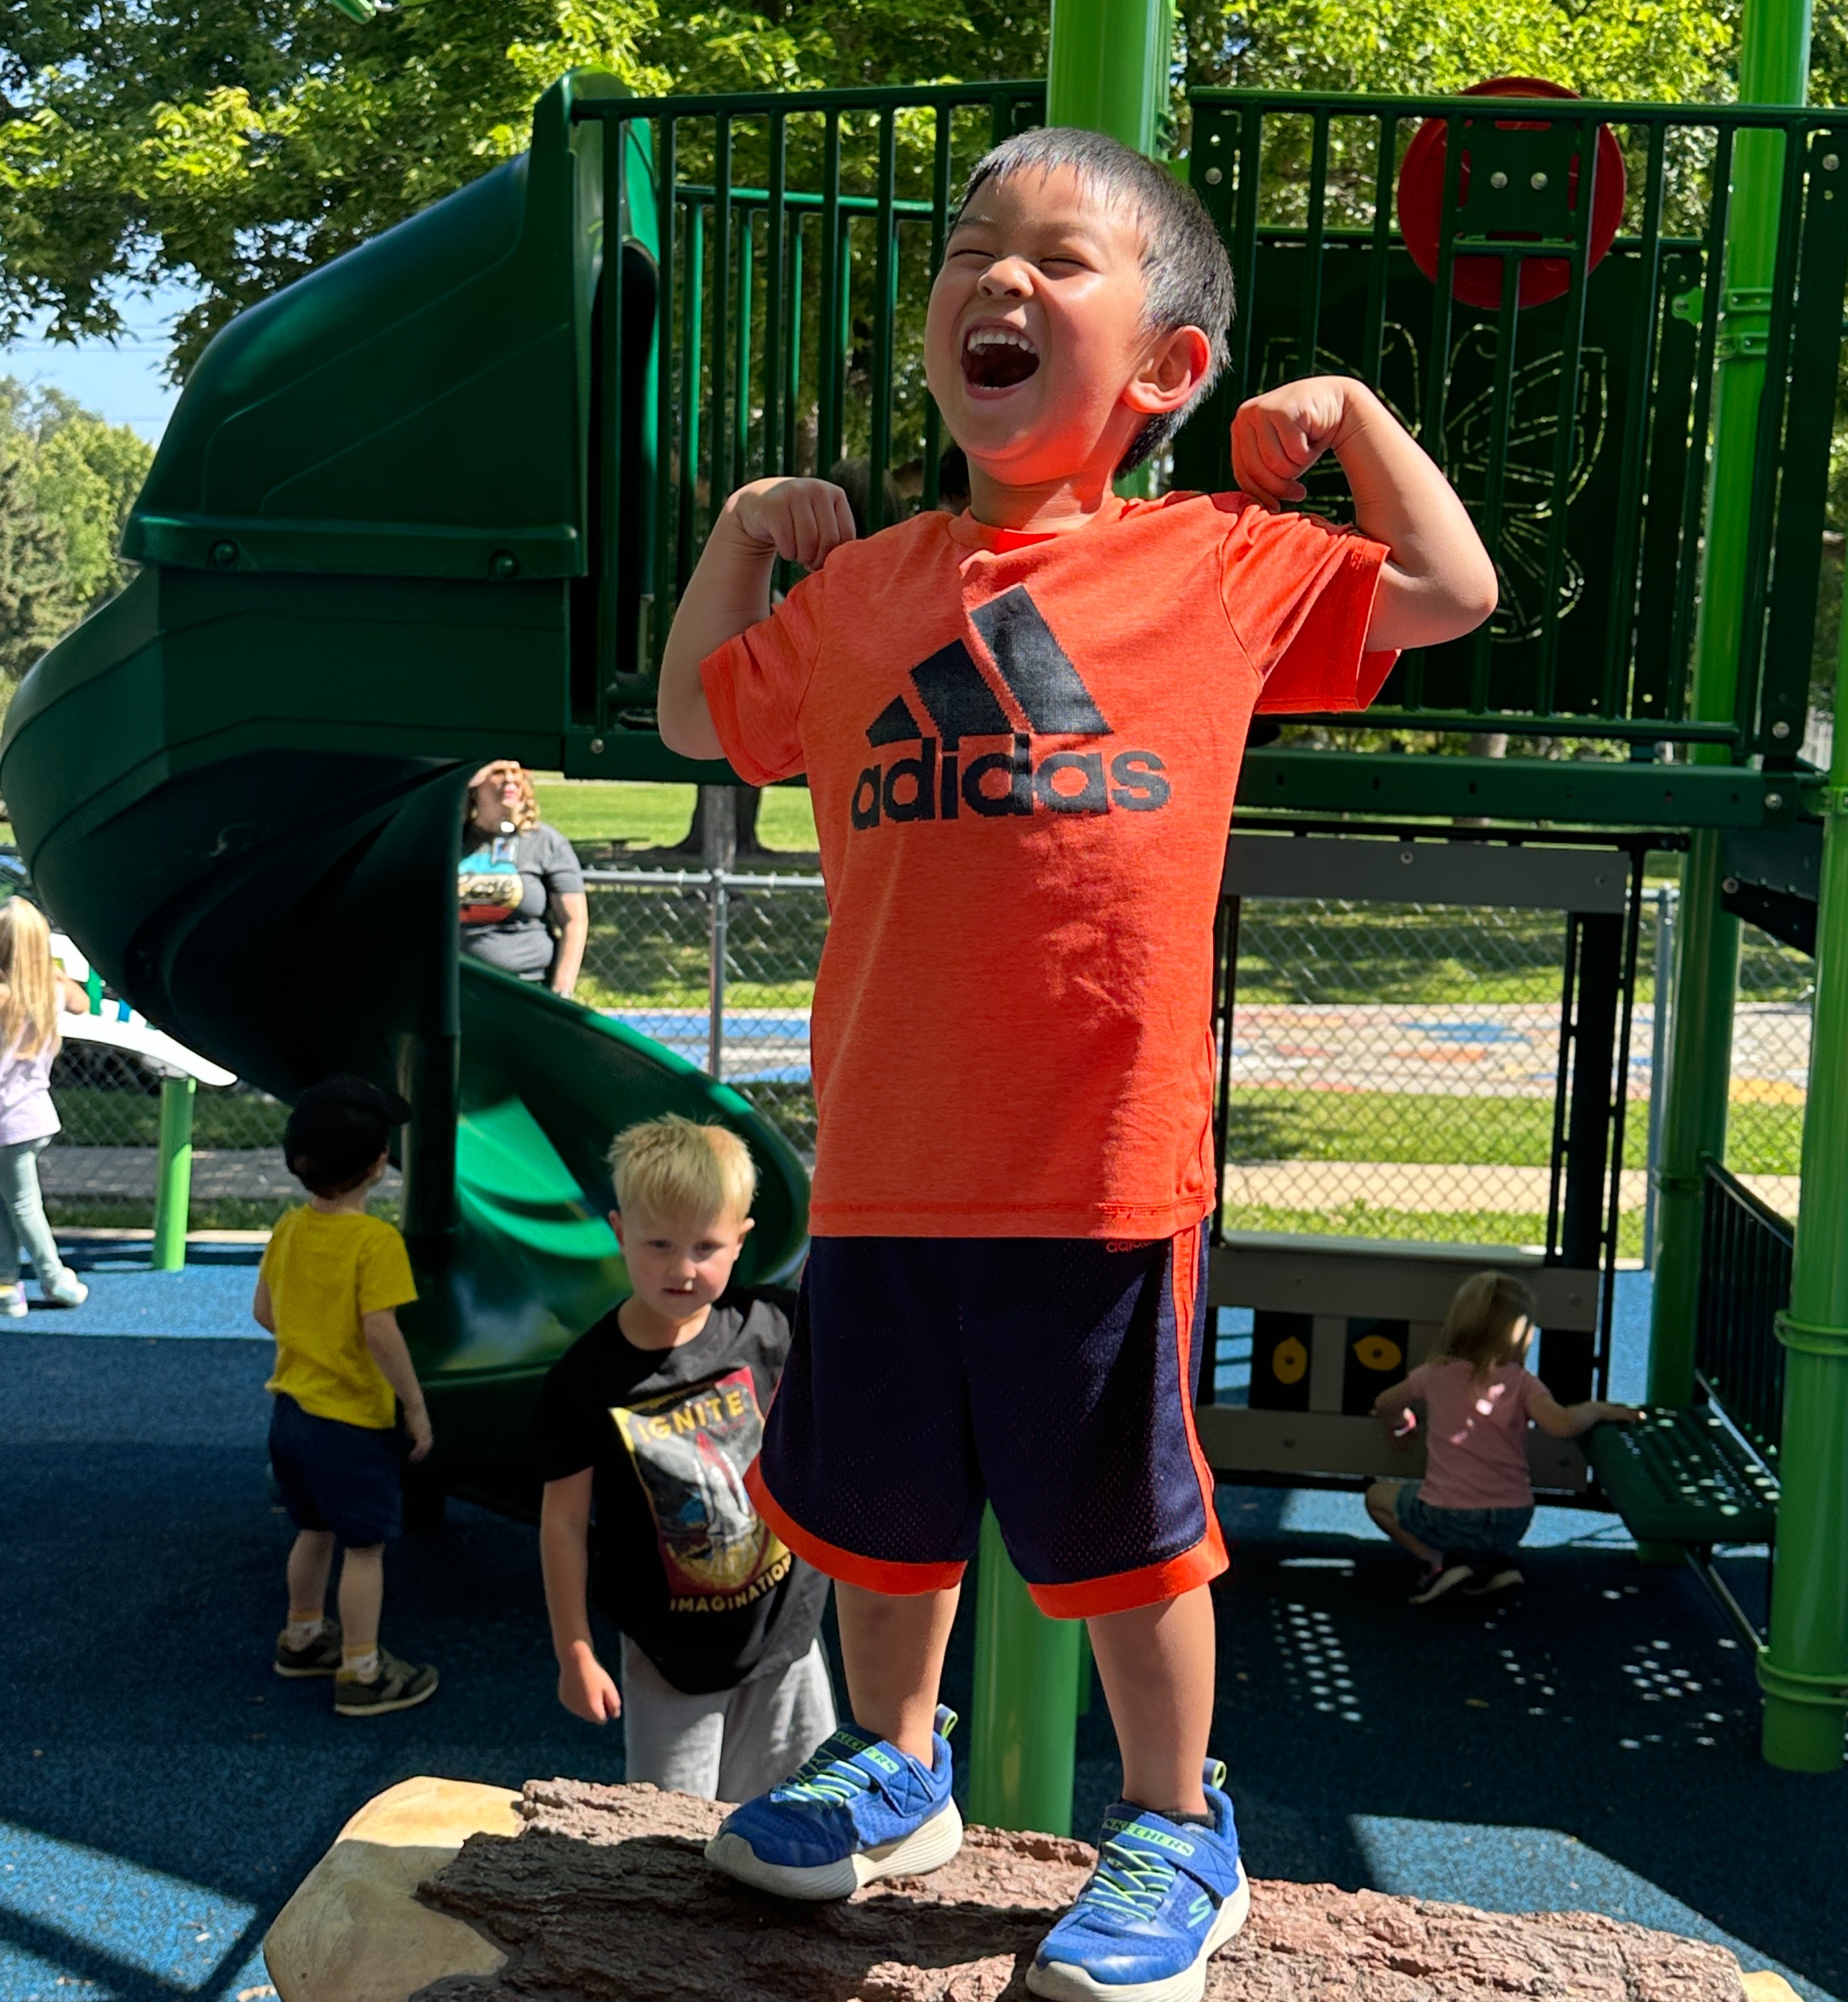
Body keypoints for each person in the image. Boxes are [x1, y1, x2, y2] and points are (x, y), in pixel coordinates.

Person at [657, 123, 1496, 1999]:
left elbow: (1451, 590)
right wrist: (737, 533)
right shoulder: (869, 587)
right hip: (883, 1155)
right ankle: (897, 1761)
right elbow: (695, 712)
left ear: (1169, 370)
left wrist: (1355, 416)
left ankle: (1181, 1822)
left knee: (1128, 1530)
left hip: (1098, 1163)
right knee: (878, 1502)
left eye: (1057, 261)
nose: (998, 282)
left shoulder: (1216, 566)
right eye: (972, 254)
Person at [534, 1113, 834, 1799]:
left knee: (802, 1812)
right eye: (659, 1244)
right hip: (668, 1654)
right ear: (618, 1233)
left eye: (705, 1246)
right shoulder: (586, 1381)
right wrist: (573, 1649)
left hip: (784, 1636)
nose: (682, 1267)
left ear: (741, 1243)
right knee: (670, 1830)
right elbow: (563, 1522)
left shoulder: (774, 1328)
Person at [257, 1074, 440, 1717]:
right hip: (350, 1425)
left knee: (311, 1530)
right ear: (380, 1163)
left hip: (290, 1415)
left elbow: (265, 1312)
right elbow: (380, 1332)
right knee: (364, 1548)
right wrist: (414, 1407)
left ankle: (303, 1635)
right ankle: (362, 1670)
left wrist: (312, 1336)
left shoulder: (288, 1229)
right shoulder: (375, 1242)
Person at [1366, 1271, 1641, 1604]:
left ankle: (1437, 1562)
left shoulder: (1433, 1375)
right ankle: (1494, 1565)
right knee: (1483, 1525)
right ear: (1522, 1336)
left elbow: (1384, 1403)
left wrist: (1403, 1423)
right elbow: (1562, 1424)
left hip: (1447, 1518)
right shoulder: (1524, 1383)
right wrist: (1596, 1410)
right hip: (1513, 1519)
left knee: (1376, 1497)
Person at [0, 897, 91, 1315]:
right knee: (8, 1202)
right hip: (32, 1118)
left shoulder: (4, 996)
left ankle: (54, 1278)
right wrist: (49, 968)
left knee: (20, 1204)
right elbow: (81, 1002)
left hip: (7, 1123)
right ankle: (6, 1285)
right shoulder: (48, 990)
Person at [458, 761, 589, 996]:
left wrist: (563, 990)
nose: (510, 779)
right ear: (476, 784)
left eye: (516, 772)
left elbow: (575, 921)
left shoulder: (546, 842)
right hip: (461, 987)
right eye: (498, 772)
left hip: (529, 987)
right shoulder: (453, 840)